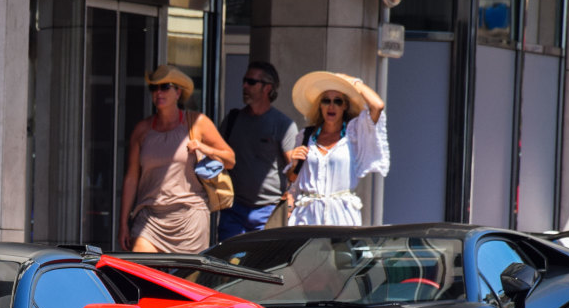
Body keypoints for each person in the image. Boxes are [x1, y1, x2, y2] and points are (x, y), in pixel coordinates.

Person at [119, 65, 235, 253]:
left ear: (178, 92)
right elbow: (131, 178)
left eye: (165, 87)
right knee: (140, 275)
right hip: (150, 217)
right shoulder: (142, 130)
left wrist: (203, 147)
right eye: (154, 88)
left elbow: (230, 159)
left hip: (189, 217)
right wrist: (123, 223)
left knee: (184, 281)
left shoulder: (197, 122)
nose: (158, 92)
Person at [285, 71, 389, 226]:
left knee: (343, 250)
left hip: (342, 215)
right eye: (326, 101)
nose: (331, 106)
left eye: (338, 101)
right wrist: (294, 165)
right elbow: (292, 179)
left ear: (345, 106)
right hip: (308, 216)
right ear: (320, 105)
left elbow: (377, 106)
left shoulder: (354, 134)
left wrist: (352, 82)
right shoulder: (306, 136)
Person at [216, 62, 298, 240]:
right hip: (233, 208)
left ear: (267, 88)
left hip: (268, 210)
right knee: (227, 264)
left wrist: (292, 202)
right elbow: (217, 155)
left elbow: (293, 171)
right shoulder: (232, 120)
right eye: (244, 81)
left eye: (251, 82)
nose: (244, 86)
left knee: (262, 265)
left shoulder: (283, 124)